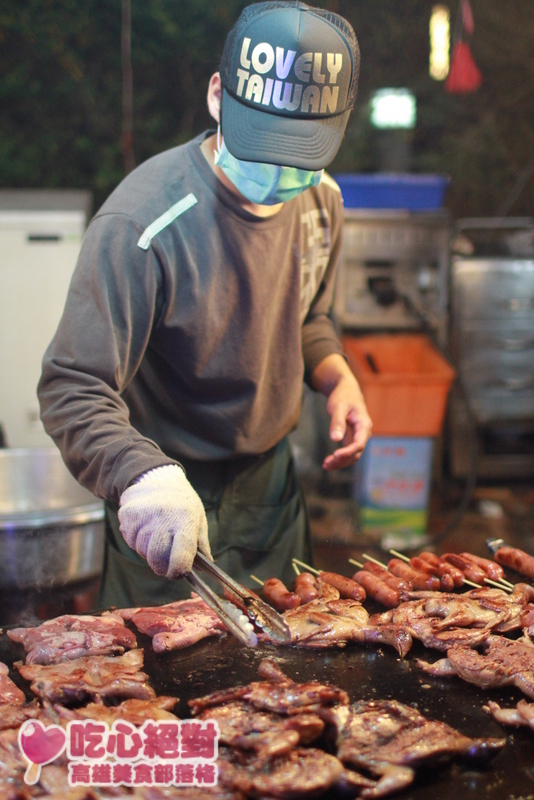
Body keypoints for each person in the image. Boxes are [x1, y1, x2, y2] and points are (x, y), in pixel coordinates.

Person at [38, 0, 372, 609]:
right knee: (162, 677)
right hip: (165, 483)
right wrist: (138, 474)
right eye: (260, 145)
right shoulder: (143, 224)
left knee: (292, 672)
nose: (277, 175)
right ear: (218, 96)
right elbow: (70, 386)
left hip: (270, 483)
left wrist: (337, 376)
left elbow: (309, 316)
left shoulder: (322, 200)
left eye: (298, 153)